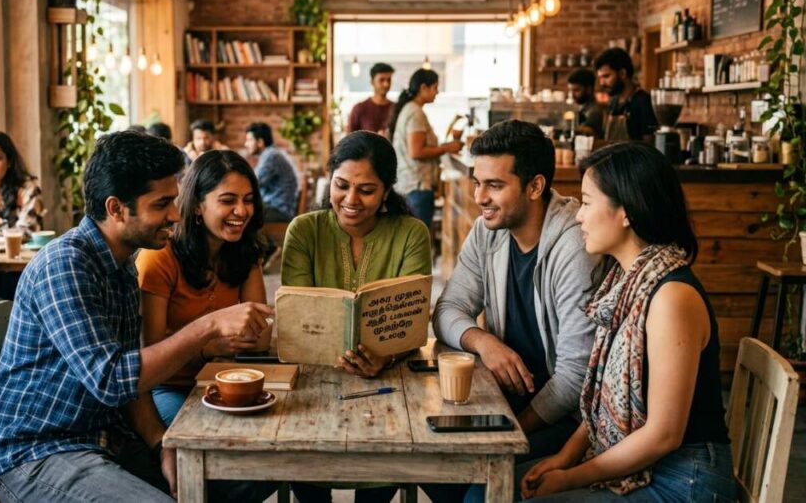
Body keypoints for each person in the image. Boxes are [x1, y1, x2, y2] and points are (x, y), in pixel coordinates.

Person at [0, 131, 271, 503]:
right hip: (38, 451)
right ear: (117, 208)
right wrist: (208, 326)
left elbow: (130, 382)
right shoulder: (65, 265)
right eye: (162, 203)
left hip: (105, 438)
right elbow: (112, 380)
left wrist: (159, 444)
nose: (175, 214)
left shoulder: (121, 266)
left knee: (253, 472)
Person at [518, 143, 736, 502]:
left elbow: (664, 435)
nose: (578, 217)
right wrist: (564, 458)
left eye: (587, 202)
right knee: (497, 489)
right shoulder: (626, 282)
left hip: (684, 479)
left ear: (626, 212)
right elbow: (604, 400)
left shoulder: (670, 298)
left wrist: (571, 477)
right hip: (650, 465)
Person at [431, 120, 597, 484]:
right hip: (505, 400)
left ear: (535, 186)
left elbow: (574, 378)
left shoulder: (574, 246)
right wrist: (484, 342)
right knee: (432, 468)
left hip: (569, 420)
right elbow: (446, 309)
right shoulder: (488, 230)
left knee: (468, 482)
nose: (479, 197)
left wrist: (507, 435)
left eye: (494, 185)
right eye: (477, 182)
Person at [281, 130, 432, 503]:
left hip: (389, 384)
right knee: (304, 472)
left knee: (380, 476)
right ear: (329, 178)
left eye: (366, 190)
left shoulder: (411, 233)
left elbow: (412, 318)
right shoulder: (304, 230)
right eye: (341, 185)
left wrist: (387, 355)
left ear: (386, 191)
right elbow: (300, 314)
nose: (350, 200)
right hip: (312, 380)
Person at [136, 149, 269, 427]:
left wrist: (237, 342)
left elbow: (261, 338)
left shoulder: (245, 251)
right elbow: (152, 354)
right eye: (227, 201)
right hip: (171, 387)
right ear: (197, 205)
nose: (241, 211)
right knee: (201, 431)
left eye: (248, 200)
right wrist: (207, 348)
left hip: (226, 377)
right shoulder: (160, 256)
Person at [388, 69, 463, 228]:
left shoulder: (410, 109)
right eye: (435, 87)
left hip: (410, 186)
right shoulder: (415, 113)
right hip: (417, 187)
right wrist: (446, 148)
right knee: (418, 245)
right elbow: (416, 151)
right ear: (423, 88)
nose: (437, 92)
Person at [594, 48, 658, 143]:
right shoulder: (613, 102)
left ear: (622, 73)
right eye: (600, 78)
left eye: (606, 76)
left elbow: (649, 146)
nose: (602, 83)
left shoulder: (643, 101)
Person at [245, 122, 299, 223]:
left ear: (260, 142)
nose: (246, 144)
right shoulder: (270, 154)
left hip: (279, 211)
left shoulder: (272, 156)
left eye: (249, 140)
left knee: (243, 215)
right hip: (275, 207)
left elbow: (252, 183)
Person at [347, 62, 395, 136]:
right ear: (372, 82)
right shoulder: (359, 109)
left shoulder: (396, 108)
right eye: (381, 80)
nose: (386, 84)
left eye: (389, 80)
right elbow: (348, 141)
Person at [567, 68, 605, 139]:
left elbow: (589, 131)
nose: (572, 95)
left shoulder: (594, 111)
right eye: (570, 91)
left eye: (576, 90)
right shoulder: (583, 107)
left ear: (589, 89)